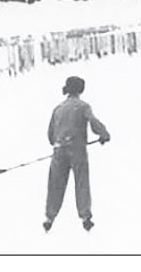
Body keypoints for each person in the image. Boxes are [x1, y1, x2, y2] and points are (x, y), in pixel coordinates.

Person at [45, 76, 110, 232]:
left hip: (59, 150)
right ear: (80, 90)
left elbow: (50, 134)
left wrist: (59, 143)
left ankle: (49, 217)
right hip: (77, 150)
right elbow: (94, 123)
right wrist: (104, 135)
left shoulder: (58, 108)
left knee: (55, 184)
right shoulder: (83, 106)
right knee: (81, 182)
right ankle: (85, 217)